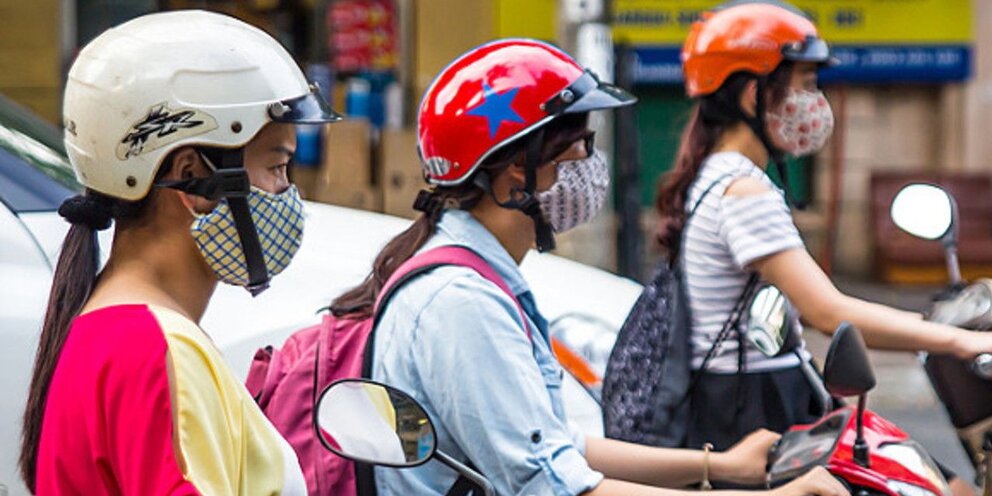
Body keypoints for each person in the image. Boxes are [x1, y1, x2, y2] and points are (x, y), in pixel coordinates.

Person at [330, 38, 847, 496]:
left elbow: (553, 443)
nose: (589, 168)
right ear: (518, 168)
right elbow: (552, 486)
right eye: (578, 148)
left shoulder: (478, 278)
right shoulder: (462, 302)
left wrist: (721, 464)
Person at [651, 1, 984, 492]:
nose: (814, 101)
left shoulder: (718, 175)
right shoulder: (743, 192)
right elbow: (827, 311)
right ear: (752, 94)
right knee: (941, 486)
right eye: (806, 83)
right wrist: (962, 340)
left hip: (750, 395)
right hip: (752, 409)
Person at [19, 10, 341, 494]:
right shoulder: (156, 349)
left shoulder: (113, 328)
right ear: (194, 175)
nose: (285, 192)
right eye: (277, 166)